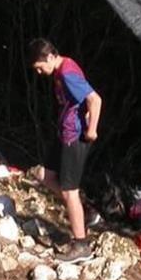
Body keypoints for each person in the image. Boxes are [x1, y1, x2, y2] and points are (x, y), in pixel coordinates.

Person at [27, 38, 102, 264]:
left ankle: (81, 245)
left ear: (50, 57)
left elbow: (95, 99)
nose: (40, 72)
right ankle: (86, 212)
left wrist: (92, 130)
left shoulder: (67, 73)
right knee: (47, 177)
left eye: (40, 67)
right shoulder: (62, 69)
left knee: (70, 192)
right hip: (63, 132)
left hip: (75, 137)